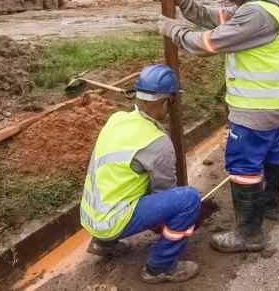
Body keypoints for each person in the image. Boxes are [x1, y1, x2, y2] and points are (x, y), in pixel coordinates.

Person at [157, 0, 279, 254]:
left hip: (255, 108)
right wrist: (184, 3)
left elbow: (207, 43)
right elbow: (215, 17)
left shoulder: (255, 14)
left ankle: (249, 234)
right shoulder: (266, 5)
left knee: (244, 165)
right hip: (274, 104)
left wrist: (173, 30)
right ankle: (269, 207)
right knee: (270, 154)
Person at [80, 64, 201, 284]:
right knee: (188, 200)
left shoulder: (116, 120)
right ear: (167, 101)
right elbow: (165, 190)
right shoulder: (156, 142)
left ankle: (102, 243)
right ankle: (160, 267)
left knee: (128, 178)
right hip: (112, 221)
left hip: (91, 217)